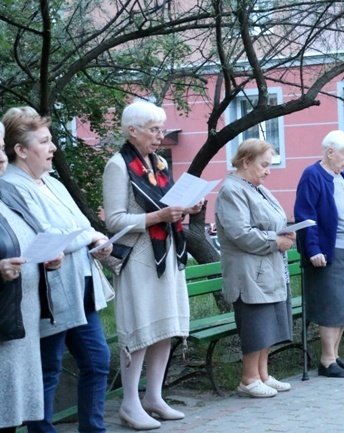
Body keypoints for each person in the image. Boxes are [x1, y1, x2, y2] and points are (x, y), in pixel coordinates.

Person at [2, 107, 112, 433]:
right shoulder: (12, 186)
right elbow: (49, 235)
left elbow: (79, 226)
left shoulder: (53, 182)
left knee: (97, 362)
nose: (53, 148)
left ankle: (94, 429)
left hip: (82, 286)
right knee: (47, 369)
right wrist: (89, 236)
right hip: (50, 294)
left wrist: (98, 238)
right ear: (21, 150)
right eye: (45, 141)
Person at [103, 100, 203, 429]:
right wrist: (159, 216)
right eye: (154, 129)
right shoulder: (118, 165)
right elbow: (114, 220)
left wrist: (188, 206)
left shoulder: (158, 161)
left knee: (164, 327)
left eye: (161, 128)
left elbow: (169, 203)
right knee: (141, 329)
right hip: (139, 257)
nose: (160, 135)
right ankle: (130, 403)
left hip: (167, 253)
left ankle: (154, 397)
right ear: (132, 131)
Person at [215, 138, 295, 397]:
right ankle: (248, 380)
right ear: (246, 161)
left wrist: (286, 234)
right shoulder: (232, 190)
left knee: (268, 323)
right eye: (264, 165)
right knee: (256, 324)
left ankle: (262, 374)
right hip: (248, 272)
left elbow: (273, 221)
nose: (268, 171)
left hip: (267, 268)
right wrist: (276, 241)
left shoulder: (257, 187)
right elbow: (240, 233)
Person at [294, 130, 344, 378]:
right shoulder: (313, 175)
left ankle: (335, 355)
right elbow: (306, 216)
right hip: (329, 250)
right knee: (331, 305)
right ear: (330, 152)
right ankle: (327, 360)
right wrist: (313, 249)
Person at [0, 121, 63, 433]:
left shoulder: (6, 192)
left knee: (10, 415)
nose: (1, 157)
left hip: (18, 320)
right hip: (5, 323)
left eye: (0, 148)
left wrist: (45, 258)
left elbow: (30, 236)